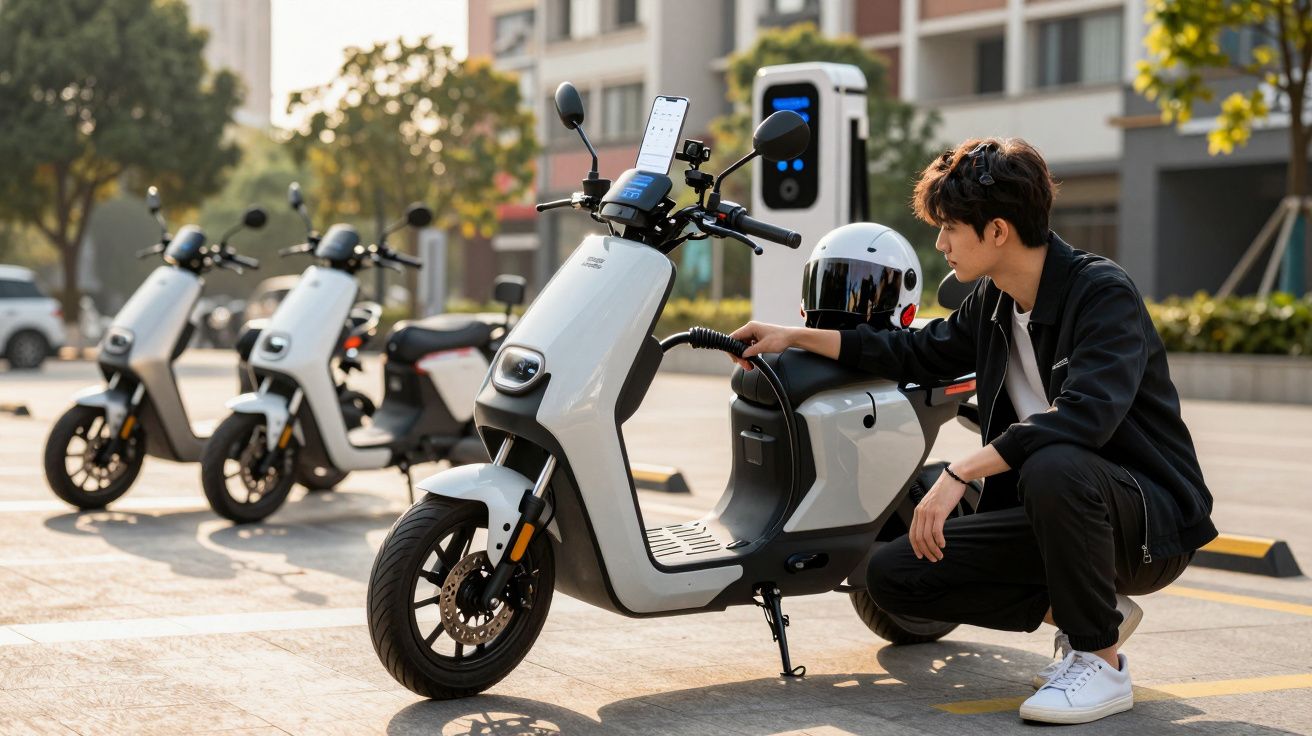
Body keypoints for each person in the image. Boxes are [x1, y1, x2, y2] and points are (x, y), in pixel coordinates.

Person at [728, 137, 1216, 725]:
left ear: (998, 231)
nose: (940, 244)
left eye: (950, 228)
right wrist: (794, 335)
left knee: (1054, 461)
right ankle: (1088, 613)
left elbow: (1085, 418)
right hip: (1054, 518)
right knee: (892, 575)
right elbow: (914, 351)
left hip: (1142, 525)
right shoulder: (993, 302)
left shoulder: (1100, 292)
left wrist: (960, 472)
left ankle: (1102, 661)